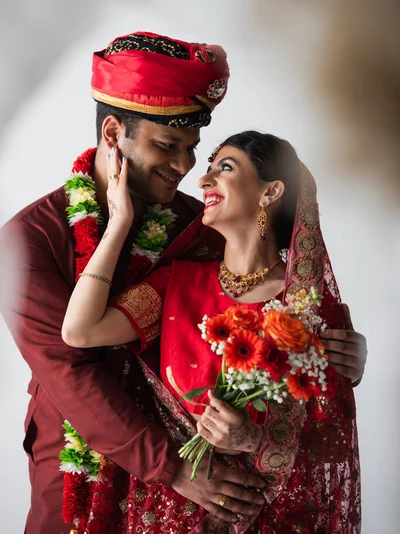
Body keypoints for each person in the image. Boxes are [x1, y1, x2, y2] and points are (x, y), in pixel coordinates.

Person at [0, 31, 366, 534]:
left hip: (206, 474)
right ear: (113, 135)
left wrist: (339, 353)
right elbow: (70, 370)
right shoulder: (28, 240)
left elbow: (273, 309)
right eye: (168, 146)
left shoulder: (205, 224)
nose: (186, 168)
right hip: (80, 457)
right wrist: (173, 468)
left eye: (194, 149)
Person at [62, 131, 362, 533]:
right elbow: (80, 331)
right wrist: (119, 223)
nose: (202, 181)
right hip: (167, 513)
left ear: (270, 191)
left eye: (225, 168)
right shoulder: (176, 284)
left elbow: (335, 444)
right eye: (208, 169)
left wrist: (254, 438)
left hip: (267, 516)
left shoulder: (309, 310)